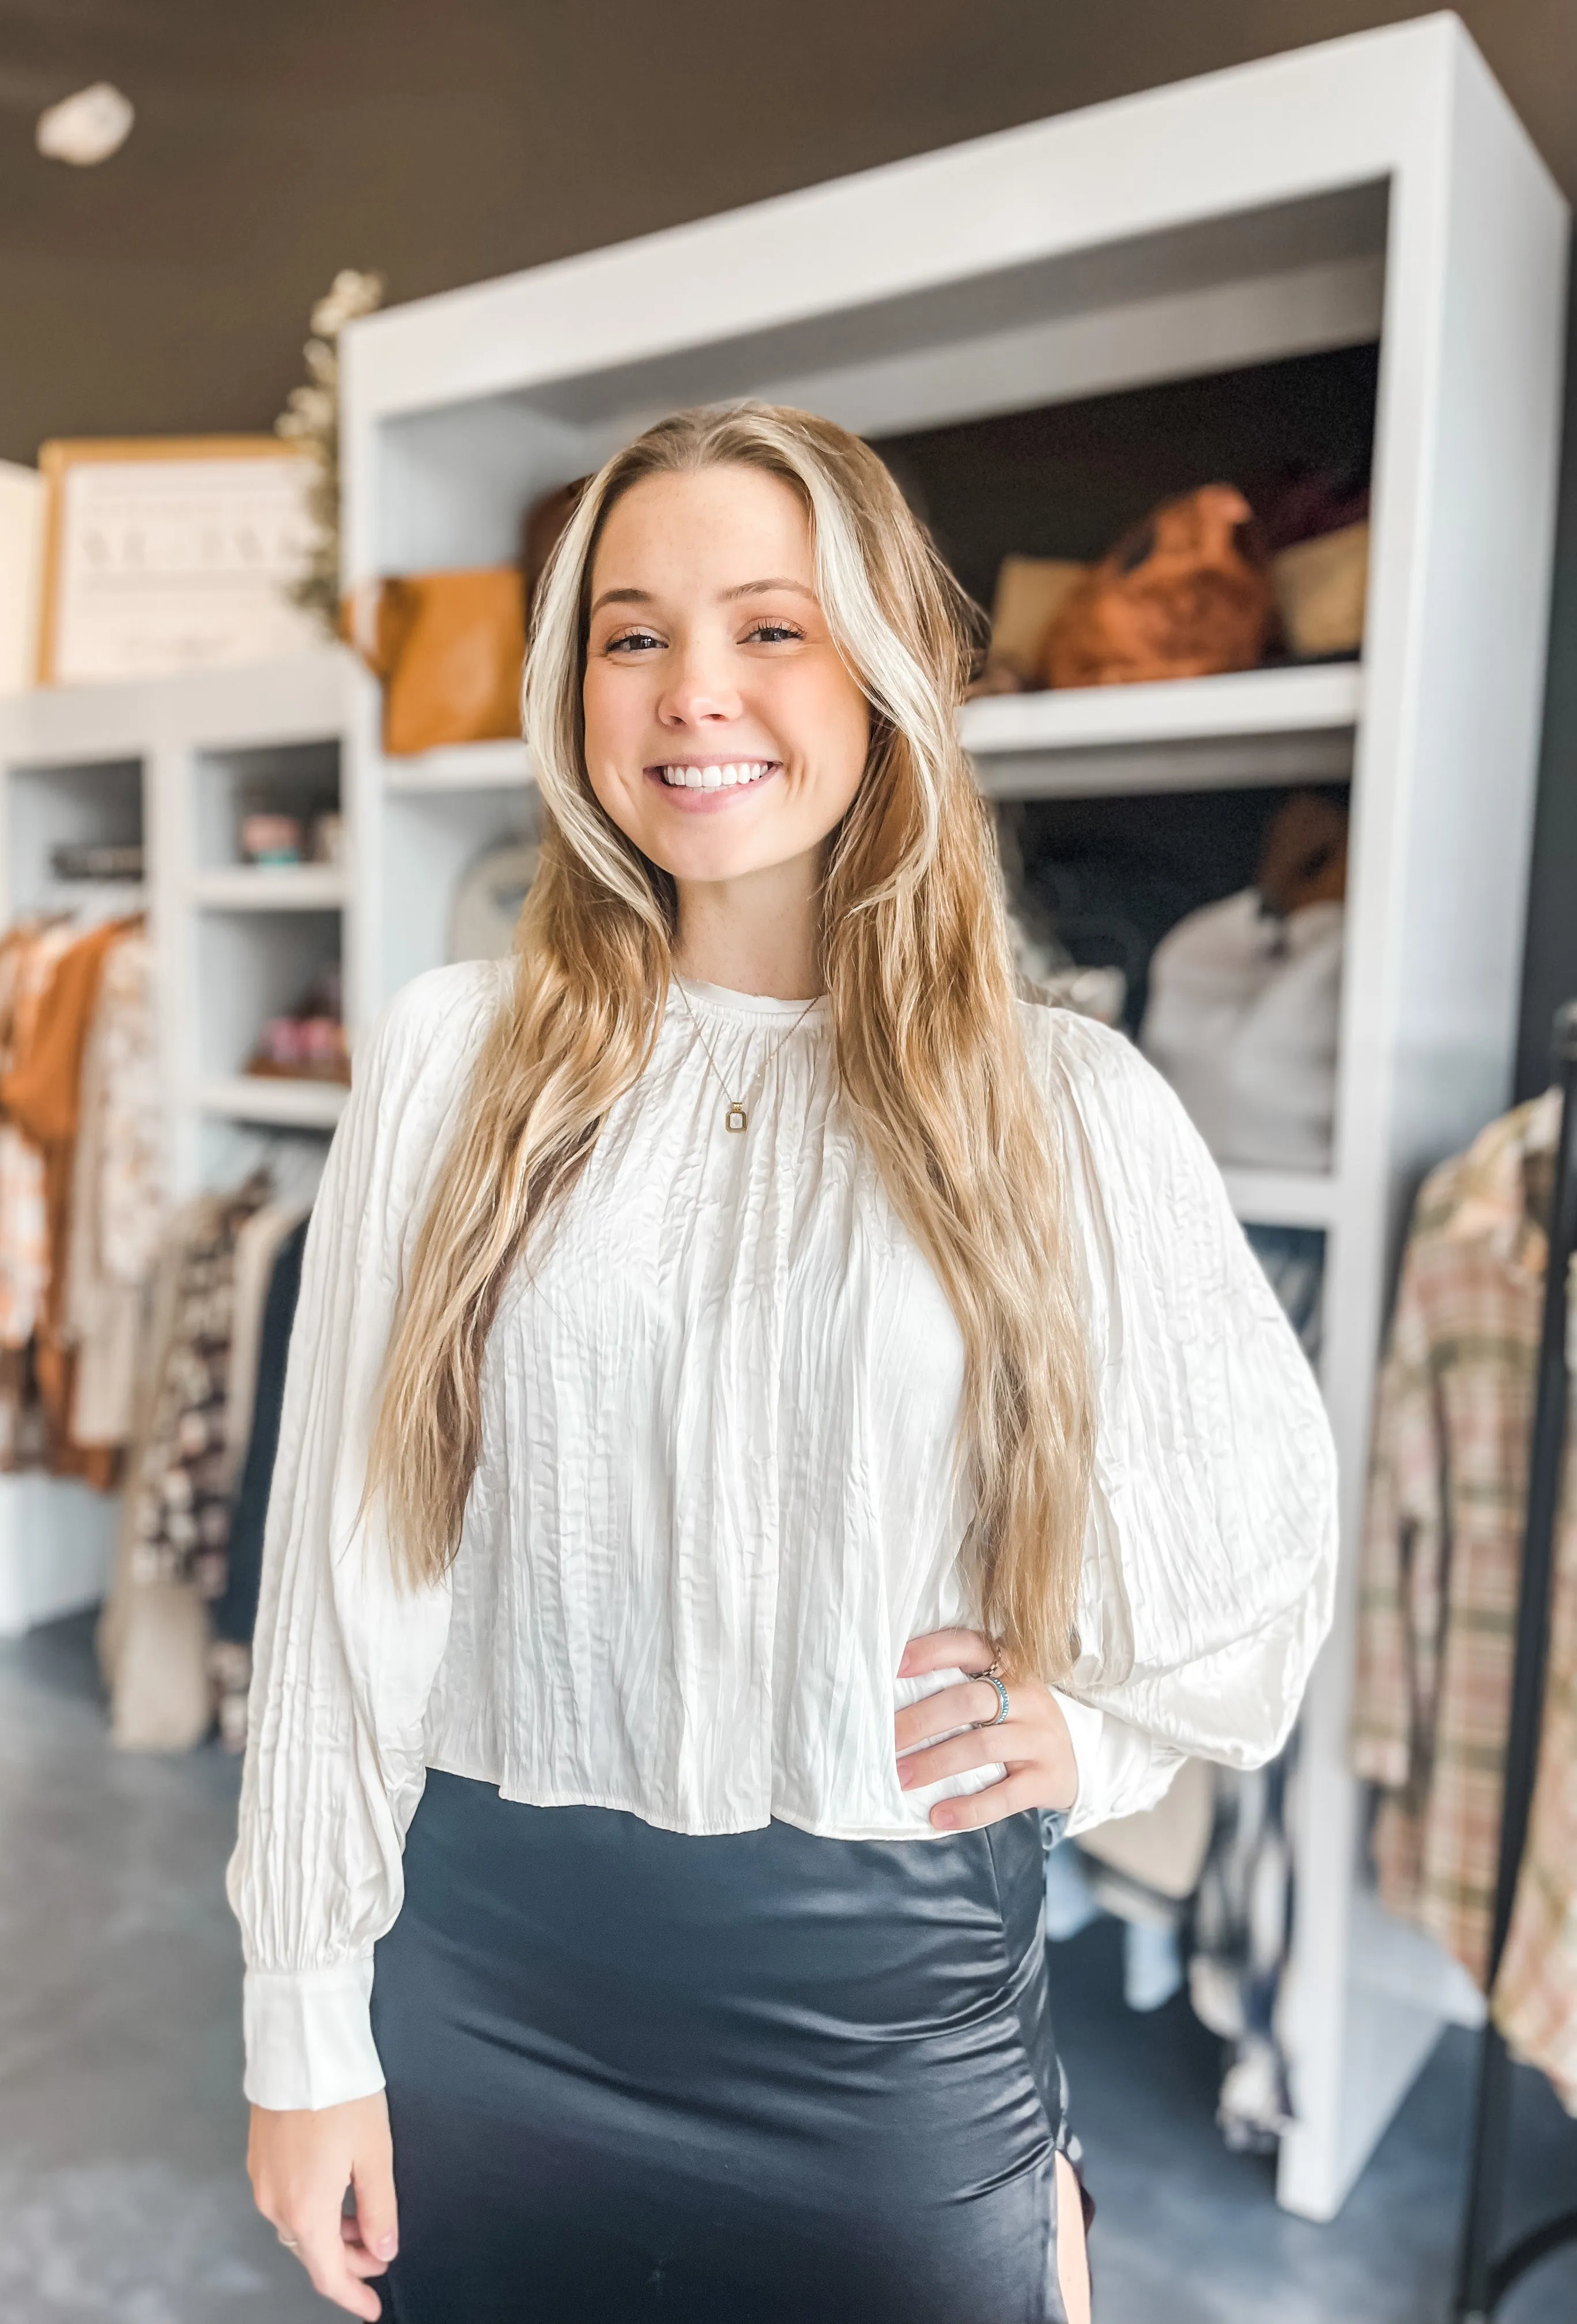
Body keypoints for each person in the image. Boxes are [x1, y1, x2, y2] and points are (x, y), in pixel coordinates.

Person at [228, 402, 1338, 2323]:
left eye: (772, 625)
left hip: (887, 2017)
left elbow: (1266, 1525)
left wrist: (1110, 1727)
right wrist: (301, 2016)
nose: (692, 693)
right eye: (632, 632)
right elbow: (343, 1567)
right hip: (487, 1978)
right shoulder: (448, 1059)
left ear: (888, 665)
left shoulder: (1060, 1102)